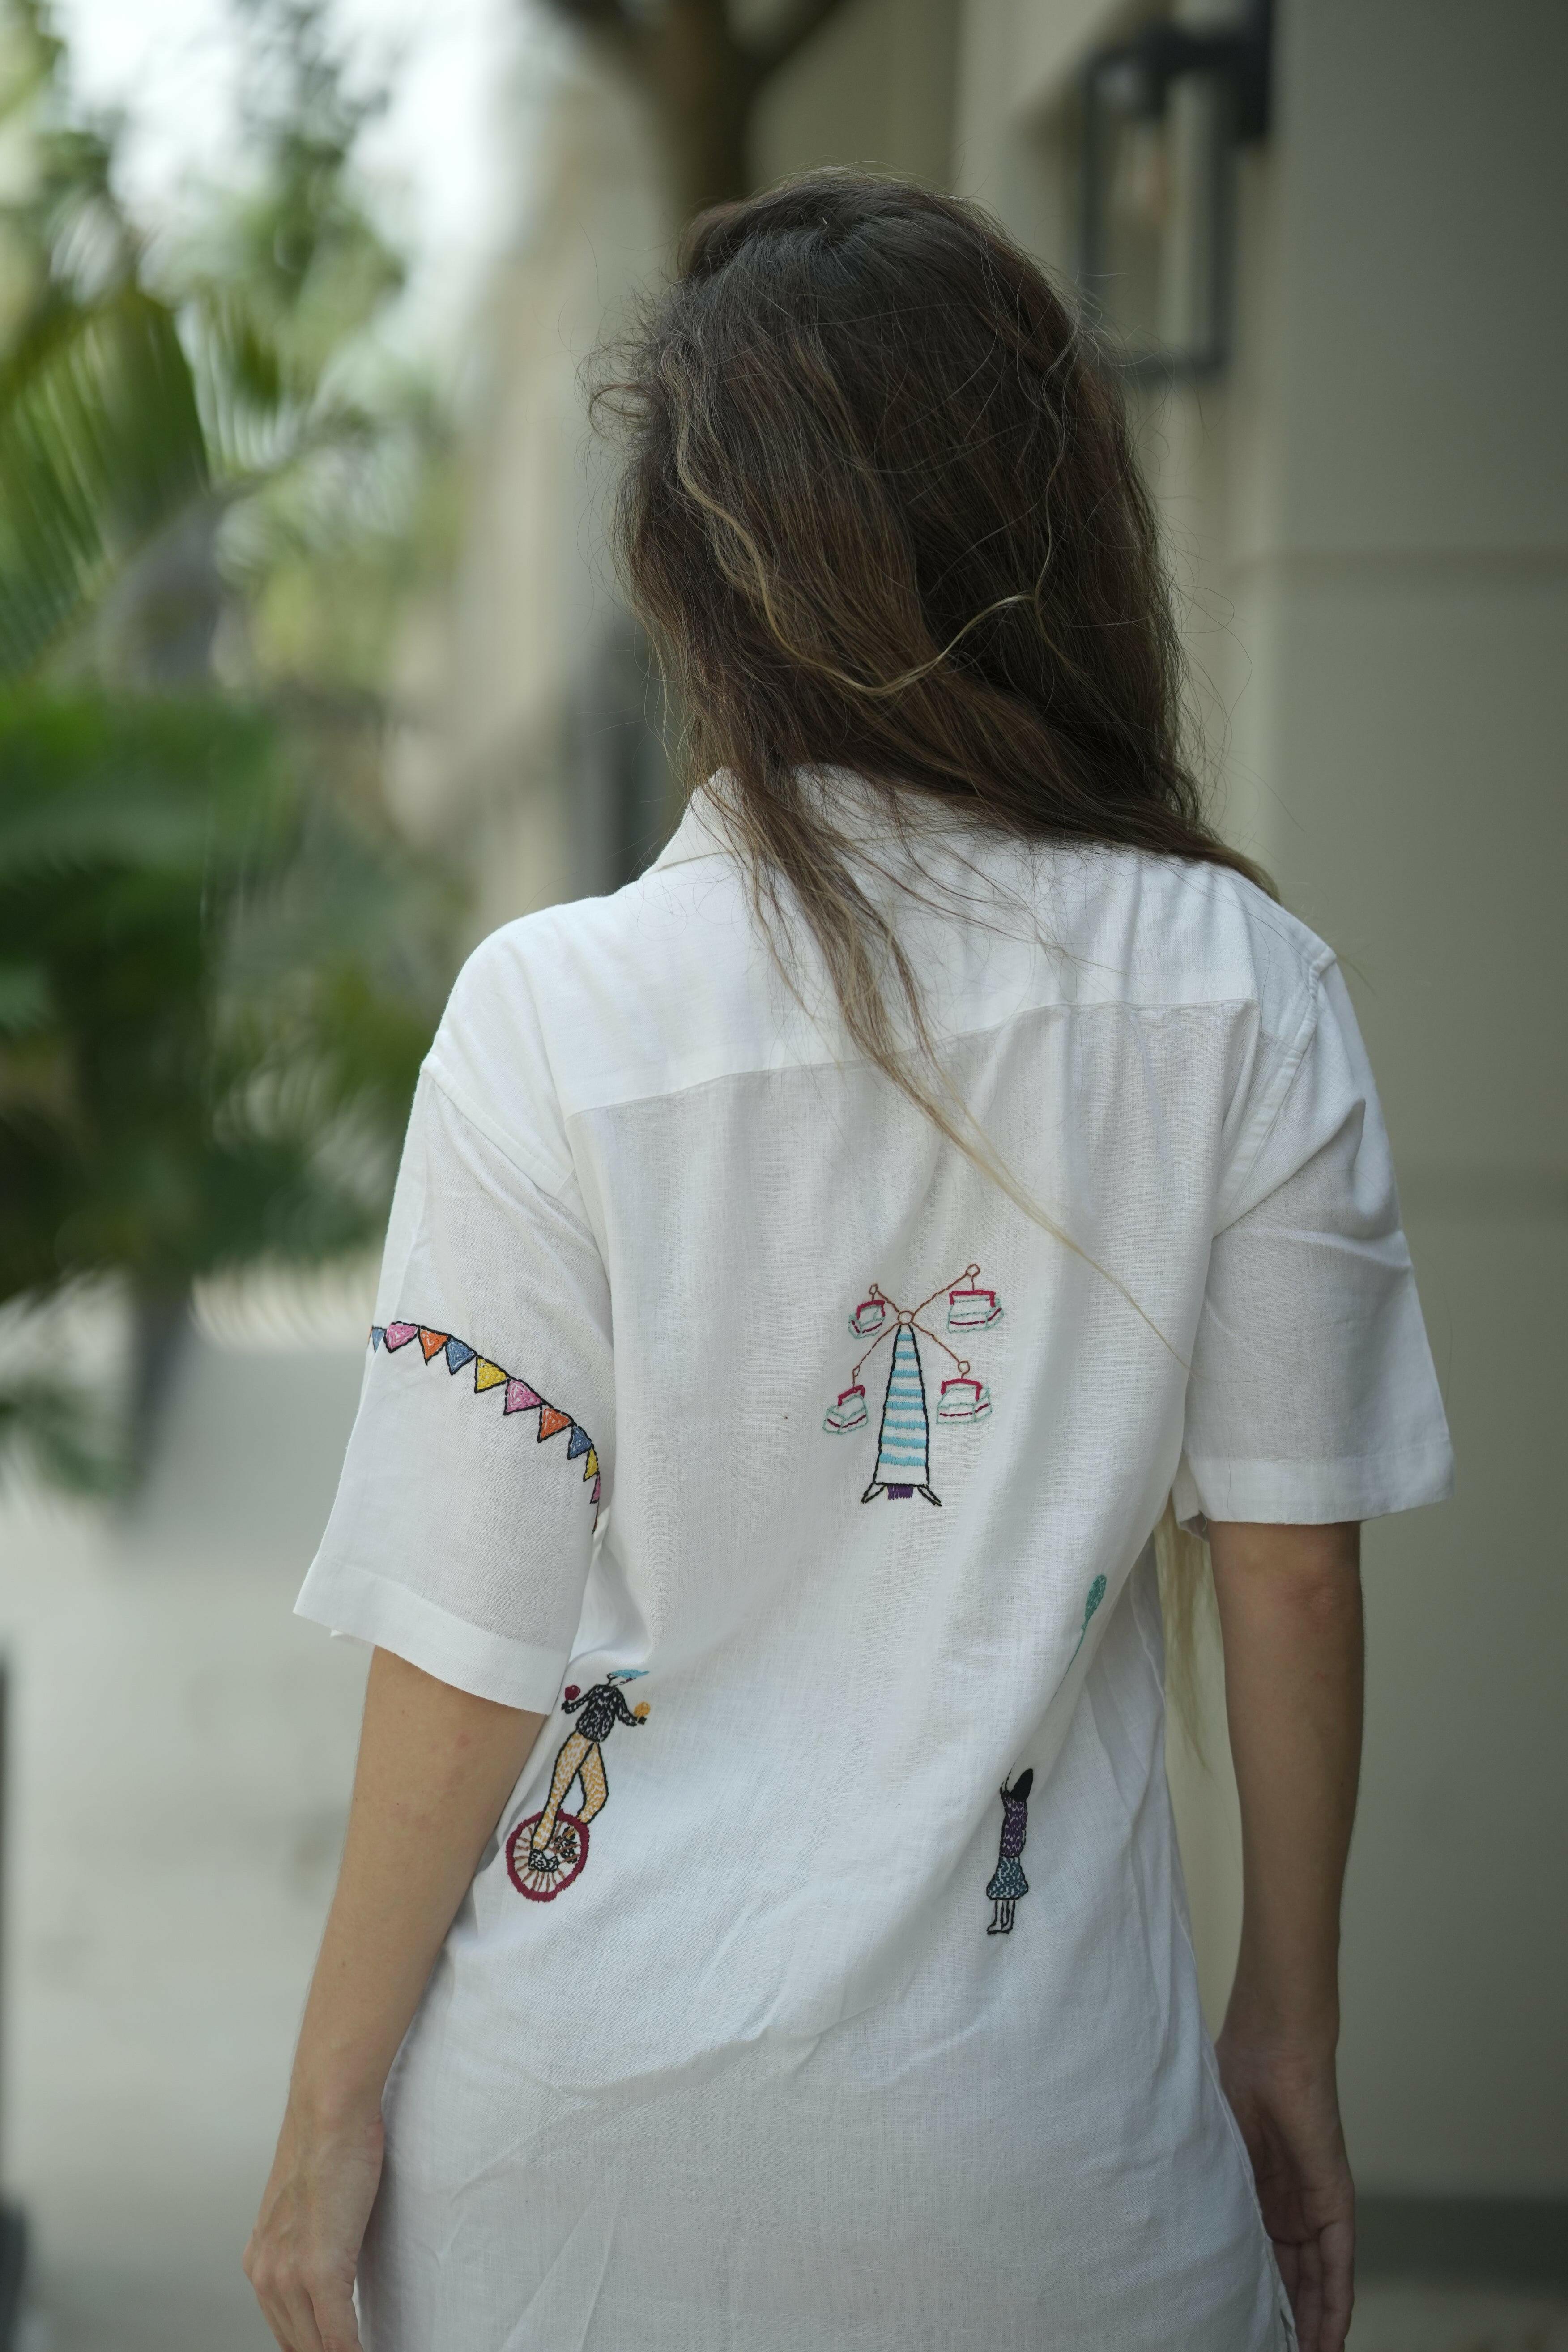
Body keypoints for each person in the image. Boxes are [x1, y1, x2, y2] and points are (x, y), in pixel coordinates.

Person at [244, 172, 1453, 2352]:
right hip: (1056, 2179)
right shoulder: (1247, 990)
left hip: (572, 2177)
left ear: (697, 587)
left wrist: (331, 2110)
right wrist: (1289, 2027)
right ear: (1063, 537)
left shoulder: (556, 1018)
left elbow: (464, 1630)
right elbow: (1289, 1564)